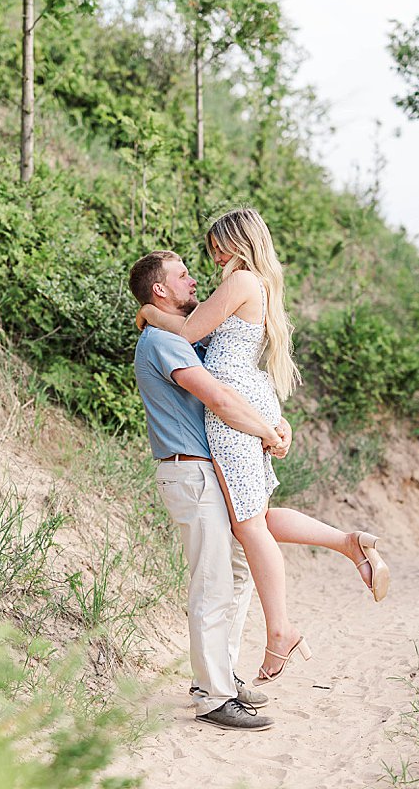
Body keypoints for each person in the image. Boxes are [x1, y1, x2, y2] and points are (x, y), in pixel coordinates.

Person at [137, 208, 390, 687]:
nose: (211, 260)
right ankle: (346, 542)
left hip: (232, 408)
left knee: (250, 525)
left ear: (235, 243)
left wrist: (151, 313)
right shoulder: (261, 284)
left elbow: (188, 336)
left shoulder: (239, 282)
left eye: (215, 248)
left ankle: (281, 631)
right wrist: (270, 419)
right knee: (256, 516)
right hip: (251, 398)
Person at [129, 249, 290, 732]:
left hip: (208, 471)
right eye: (182, 275)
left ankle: (220, 676)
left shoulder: (175, 335)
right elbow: (217, 397)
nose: (194, 279)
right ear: (160, 289)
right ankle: (212, 696)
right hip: (191, 473)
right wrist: (266, 431)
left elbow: (235, 379)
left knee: (235, 575)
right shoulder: (163, 342)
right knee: (213, 583)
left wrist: (272, 422)